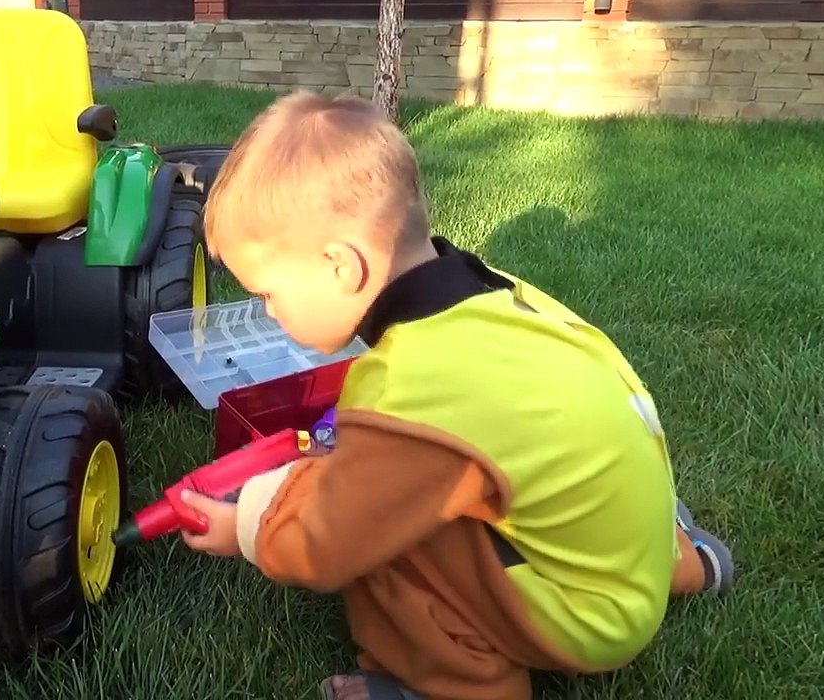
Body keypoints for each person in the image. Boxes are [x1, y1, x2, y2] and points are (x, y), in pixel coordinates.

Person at [177, 90, 734, 700]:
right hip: (636, 549)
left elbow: (328, 541)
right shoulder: (496, 296)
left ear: (342, 266)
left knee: (393, 537)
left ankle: (449, 686)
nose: (267, 311)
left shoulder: (410, 386)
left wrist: (249, 523)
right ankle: (696, 563)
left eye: (268, 294)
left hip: (586, 620)